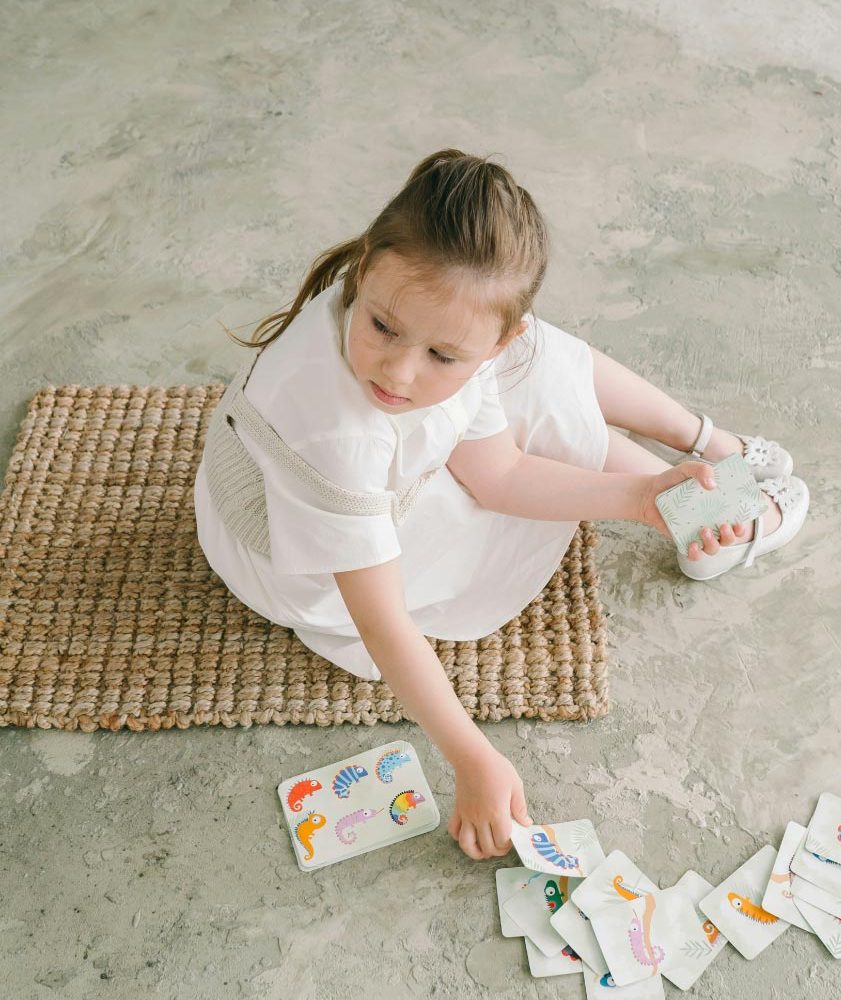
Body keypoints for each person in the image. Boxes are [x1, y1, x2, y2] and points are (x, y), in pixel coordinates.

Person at [193, 147, 809, 863]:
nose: (397, 371)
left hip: (366, 472)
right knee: (540, 397)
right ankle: (712, 514)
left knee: (539, 364)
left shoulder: (433, 318)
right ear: (364, 271)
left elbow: (497, 469)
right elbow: (382, 619)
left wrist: (638, 499)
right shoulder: (340, 435)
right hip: (301, 568)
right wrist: (474, 758)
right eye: (383, 328)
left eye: (443, 356)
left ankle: (710, 454)